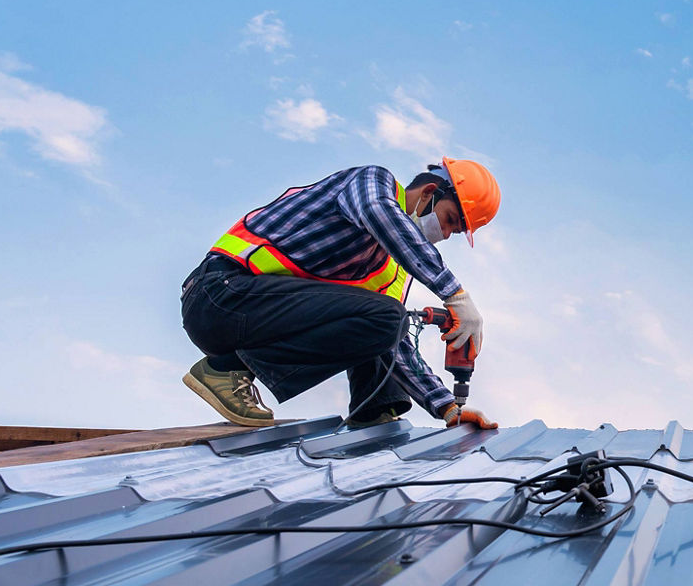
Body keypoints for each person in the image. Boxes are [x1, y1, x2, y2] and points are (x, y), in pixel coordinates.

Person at [179, 157, 501, 430]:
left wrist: (447, 408)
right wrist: (455, 295)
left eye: (453, 233)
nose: (444, 234)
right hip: (218, 296)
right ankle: (225, 369)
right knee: (388, 314)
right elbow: (379, 213)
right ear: (430, 192)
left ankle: (372, 412)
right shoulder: (372, 183)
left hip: (258, 317)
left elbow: (395, 340)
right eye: (449, 221)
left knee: (388, 320)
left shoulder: (388, 268)